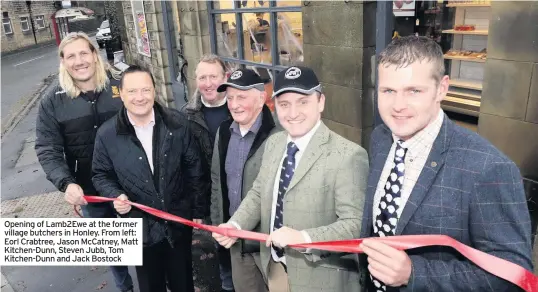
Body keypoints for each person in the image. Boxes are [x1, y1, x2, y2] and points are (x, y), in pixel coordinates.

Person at [358, 36, 534, 292]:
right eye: (388, 91)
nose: (397, 106)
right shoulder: (381, 139)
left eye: (414, 91)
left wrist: (415, 273)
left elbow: (514, 275)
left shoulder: (488, 168)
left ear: (442, 88)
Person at [213, 66, 369, 292]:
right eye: (284, 104)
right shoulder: (274, 144)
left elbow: (355, 225)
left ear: (321, 102)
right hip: (275, 269)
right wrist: (235, 224)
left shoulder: (348, 155)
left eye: (303, 102)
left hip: (322, 278)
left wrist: (303, 237)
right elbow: (258, 193)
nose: (293, 112)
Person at [92, 65, 208, 292]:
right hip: (139, 230)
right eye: (132, 91)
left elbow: (195, 168)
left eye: (145, 90)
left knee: (183, 284)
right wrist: (115, 195)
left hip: (177, 222)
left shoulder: (177, 123)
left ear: (154, 91)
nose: (140, 97)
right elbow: (100, 174)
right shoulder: (107, 134)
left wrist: (199, 211)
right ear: (122, 94)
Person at [34, 31, 133, 292]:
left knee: (148, 241)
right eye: (71, 56)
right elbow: (47, 148)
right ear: (63, 62)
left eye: (83, 53)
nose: (79, 61)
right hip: (91, 193)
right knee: (113, 250)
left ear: (94, 54)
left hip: (133, 186)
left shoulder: (120, 87)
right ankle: (125, 287)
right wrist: (66, 183)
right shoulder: (52, 102)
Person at [211, 69, 280, 292]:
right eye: (230, 98)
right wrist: (217, 222)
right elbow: (216, 183)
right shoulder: (223, 132)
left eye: (241, 97)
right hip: (237, 243)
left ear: (261, 98)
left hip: (270, 245)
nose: (234, 104)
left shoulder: (279, 135)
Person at [180, 54, 234, 292]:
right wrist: (197, 207)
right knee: (222, 250)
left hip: (242, 192)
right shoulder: (186, 116)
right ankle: (227, 285)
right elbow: (186, 167)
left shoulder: (240, 106)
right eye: (203, 77)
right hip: (212, 200)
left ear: (226, 77)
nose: (208, 83)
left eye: (213, 76)